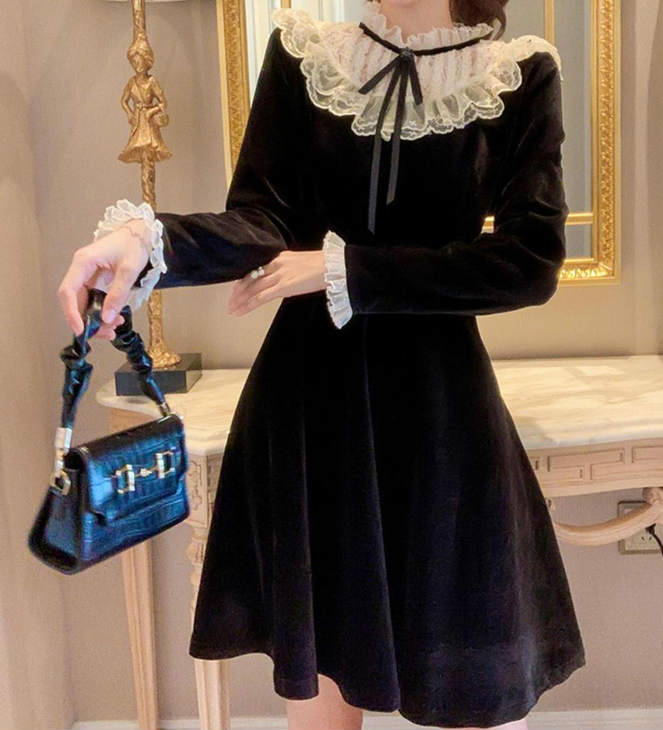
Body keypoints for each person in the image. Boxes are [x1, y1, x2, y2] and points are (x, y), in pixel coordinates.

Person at [57, 1, 586, 728]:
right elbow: (260, 219)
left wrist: (347, 270)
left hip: (441, 410)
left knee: (474, 672)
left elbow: (529, 263)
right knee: (322, 672)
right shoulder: (304, 56)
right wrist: (151, 242)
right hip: (311, 405)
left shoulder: (517, 73)